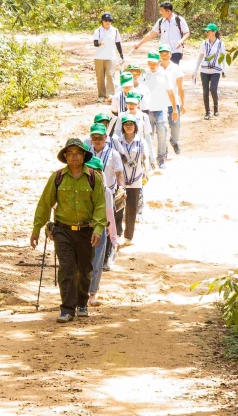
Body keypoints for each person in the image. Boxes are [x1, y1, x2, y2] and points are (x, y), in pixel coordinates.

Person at [30, 138, 107, 323]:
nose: (74, 157)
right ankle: (67, 308)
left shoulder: (93, 178)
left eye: (78, 153)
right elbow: (45, 203)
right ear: (65, 156)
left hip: (86, 231)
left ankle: (82, 303)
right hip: (63, 230)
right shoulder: (57, 177)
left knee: (85, 269)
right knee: (67, 267)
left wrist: (98, 229)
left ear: (84, 156)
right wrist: (36, 229)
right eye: (70, 153)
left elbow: (100, 206)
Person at [86, 125, 122, 306]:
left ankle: (92, 294)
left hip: (100, 230)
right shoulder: (81, 188)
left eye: (97, 173)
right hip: (82, 228)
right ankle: (80, 292)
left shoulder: (106, 192)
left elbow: (110, 215)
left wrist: (113, 237)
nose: (94, 175)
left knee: (97, 263)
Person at [112, 114, 148, 250]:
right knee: (119, 207)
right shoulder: (117, 141)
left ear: (135, 126)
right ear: (122, 126)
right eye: (126, 124)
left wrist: (147, 170)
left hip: (136, 179)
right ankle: (118, 234)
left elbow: (145, 157)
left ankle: (129, 237)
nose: (128, 127)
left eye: (131, 124)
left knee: (132, 208)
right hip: (120, 179)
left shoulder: (141, 141)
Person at [142, 52, 177, 167]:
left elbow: (171, 92)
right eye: (150, 63)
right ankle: (150, 160)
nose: (152, 65)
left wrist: (174, 109)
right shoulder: (144, 75)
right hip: (147, 110)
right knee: (149, 136)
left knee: (162, 133)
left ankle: (161, 158)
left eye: (154, 63)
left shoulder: (165, 75)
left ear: (159, 62)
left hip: (161, 109)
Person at [192, 23, 227, 120]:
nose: (206, 33)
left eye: (208, 31)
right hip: (204, 70)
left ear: (214, 32)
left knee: (213, 89)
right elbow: (201, 57)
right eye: (206, 31)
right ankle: (207, 112)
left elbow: (223, 56)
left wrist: (224, 69)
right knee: (205, 91)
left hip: (215, 70)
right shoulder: (204, 43)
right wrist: (195, 70)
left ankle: (216, 107)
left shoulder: (220, 44)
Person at [158, 45, 185, 154]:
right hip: (159, 103)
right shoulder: (156, 67)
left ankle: (174, 141)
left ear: (170, 54)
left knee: (175, 128)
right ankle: (164, 150)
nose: (164, 57)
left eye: (166, 54)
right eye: (162, 55)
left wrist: (183, 103)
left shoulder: (176, 68)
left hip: (173, 103)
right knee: (162, 129)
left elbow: (180, 88)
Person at [92, 12, 123, 101]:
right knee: (100, 77)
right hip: (99, 57)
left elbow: (118, 43)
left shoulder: (115, 30)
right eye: (106, 20)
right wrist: (99, 43)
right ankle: (101, 95)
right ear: (102, 21)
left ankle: (110, 95)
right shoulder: (97, 31)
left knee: (110, 75)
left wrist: (121, 55)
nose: (107, 22)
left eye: (109, 20)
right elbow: (95, 43)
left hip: (111, 56)